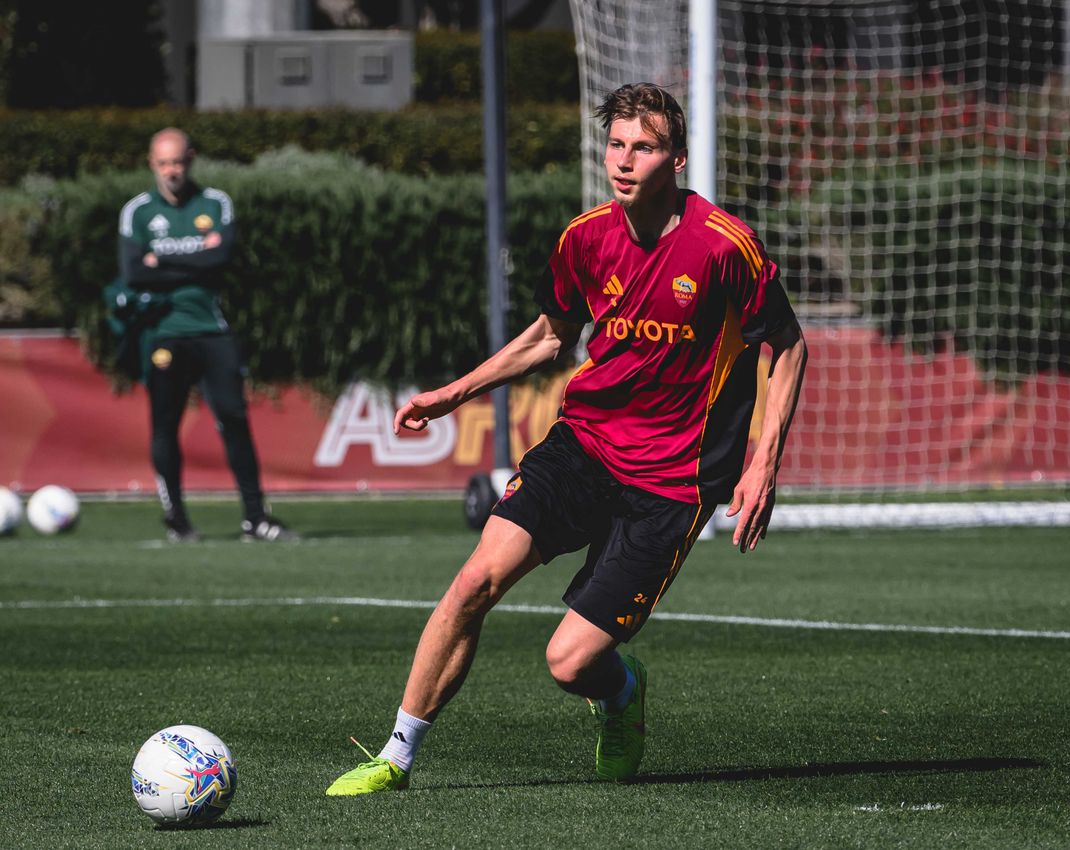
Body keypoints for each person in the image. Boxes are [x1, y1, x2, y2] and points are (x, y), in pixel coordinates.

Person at [325, 83, 809, 795]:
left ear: (675, 158)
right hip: (582, 447)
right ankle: (395, 757)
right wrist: (451, 395)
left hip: (671, 483)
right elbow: (549, 337)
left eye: (642, 146)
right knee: (473, 582)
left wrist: (763, 461)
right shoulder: (584, 238)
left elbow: (789, 346)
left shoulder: (723, 247)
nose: (624, 159)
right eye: (616, 144)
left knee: (568, 663)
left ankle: (620, 696)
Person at [117, 127, 297, 544]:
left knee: (234, 418)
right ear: (152, 164)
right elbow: (134, 272)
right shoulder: (138, 212)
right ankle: (176, 519)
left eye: (178, 162)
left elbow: (222, 259)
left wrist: (160, 260)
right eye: (163, 163)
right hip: (163, 334)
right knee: (165, 425)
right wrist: (197, 257)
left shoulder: (215, 203)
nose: (171, 171)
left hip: (211, 330)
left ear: (191, 159)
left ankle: (256, 519)